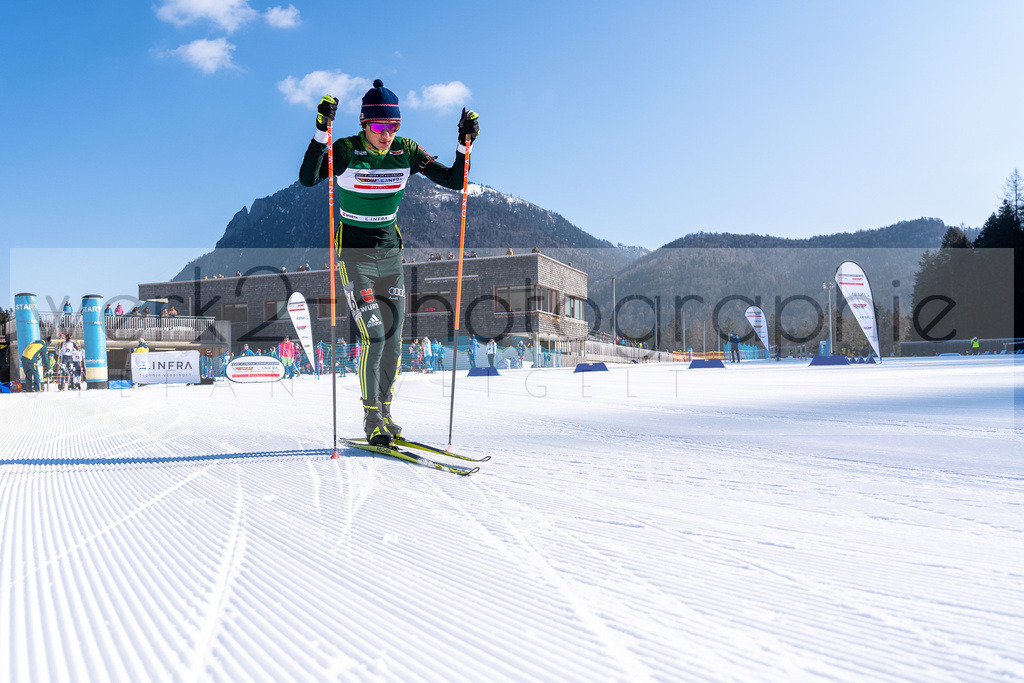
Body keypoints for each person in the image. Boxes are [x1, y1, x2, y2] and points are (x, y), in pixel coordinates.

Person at [299, 80, 479, 445]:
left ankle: (385, 410)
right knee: (375, 334)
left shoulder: (406, 151)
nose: (387, 135)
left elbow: (456, 180)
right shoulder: (347, 150)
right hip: (354, 253)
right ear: (365, 124)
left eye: (394, 126)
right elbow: (308, 178)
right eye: (380, 127)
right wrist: (321, 132)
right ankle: (370, 418)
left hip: (390, 254)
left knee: (395, 340)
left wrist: (464, 143)